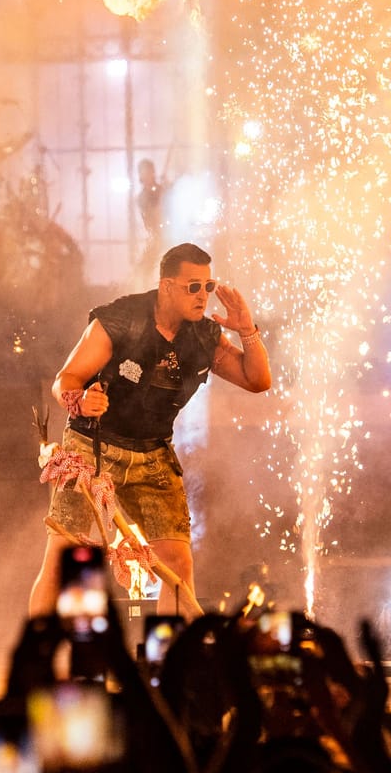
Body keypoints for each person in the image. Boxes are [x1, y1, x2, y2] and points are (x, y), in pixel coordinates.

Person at [29, 242, 272, 617]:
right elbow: (66, 378)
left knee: (176, 562)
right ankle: (36, 662)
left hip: (153, 453)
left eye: (208, 287)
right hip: (93, 448)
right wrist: (78, 401)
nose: (203, 296)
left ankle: (175, 665)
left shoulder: (205, 337)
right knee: (64, 555)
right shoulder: (121, 319)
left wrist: (247, 329)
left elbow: (258, 381)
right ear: (166, 286)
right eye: (193, 287)